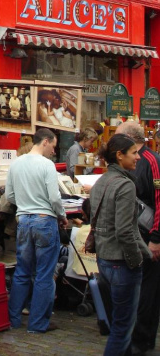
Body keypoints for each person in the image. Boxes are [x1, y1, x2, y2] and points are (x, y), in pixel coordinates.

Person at [90, 134, 151, 356]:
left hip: (104, 260)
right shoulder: (125, 185)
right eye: (134, 153)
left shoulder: (100, 182)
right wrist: (137, 261)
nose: (138, 157)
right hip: (121, 264)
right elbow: (125, 231)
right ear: (119, 155)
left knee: (118, 322)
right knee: (122, 328)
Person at [6, 127, 68, 333]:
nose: (53, 151)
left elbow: (10, 196)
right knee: (44, 273)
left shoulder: (15, 164)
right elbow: (54, 197)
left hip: (23, 219)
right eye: (53, 146)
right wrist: (62, 215)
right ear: (45, 142)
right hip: (44, 220)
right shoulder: (47, 165)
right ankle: (38, 323)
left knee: (22, 271)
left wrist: (25, 204)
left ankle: (13, 319)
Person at [115, 122, 160, 355]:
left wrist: (156, 237)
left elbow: (159, 200)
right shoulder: (127, 161)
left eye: (118, 138)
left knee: (148, 291)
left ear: (131, 138)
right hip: (135, 234)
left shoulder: (151, 160)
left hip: (148, 235)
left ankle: (142, 339)